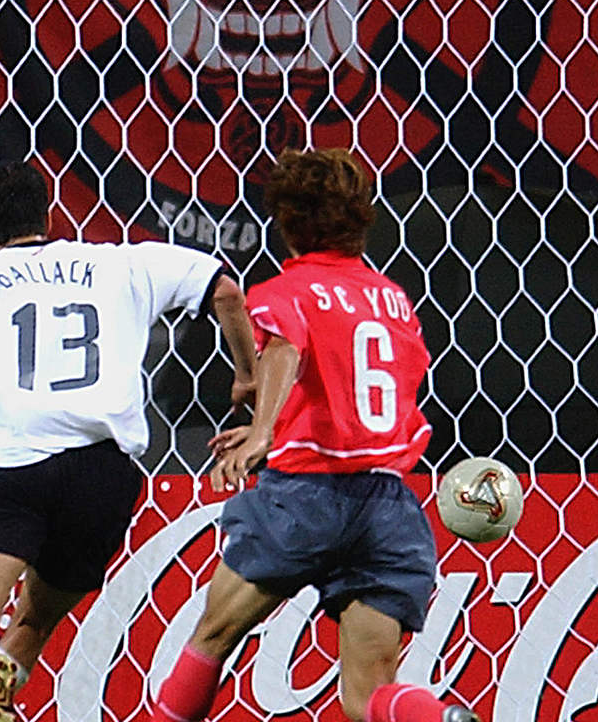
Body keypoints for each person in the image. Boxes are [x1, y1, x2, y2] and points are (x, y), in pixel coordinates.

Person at [0, 160, 258, 722]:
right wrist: (246, 374)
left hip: (13, 467)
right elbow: (226, 290)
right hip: (103, 477)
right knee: (33, 622)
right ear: (48, 212)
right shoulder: (121, 263)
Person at [151, 149, 478, 722]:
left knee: (212, 634)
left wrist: (263, 431)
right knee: (368, 697)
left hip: (304, 496)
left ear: (286, 222)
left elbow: (285, 347)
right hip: (388, 505)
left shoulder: (286, 291)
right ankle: (441, 717)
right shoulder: (394, 301)